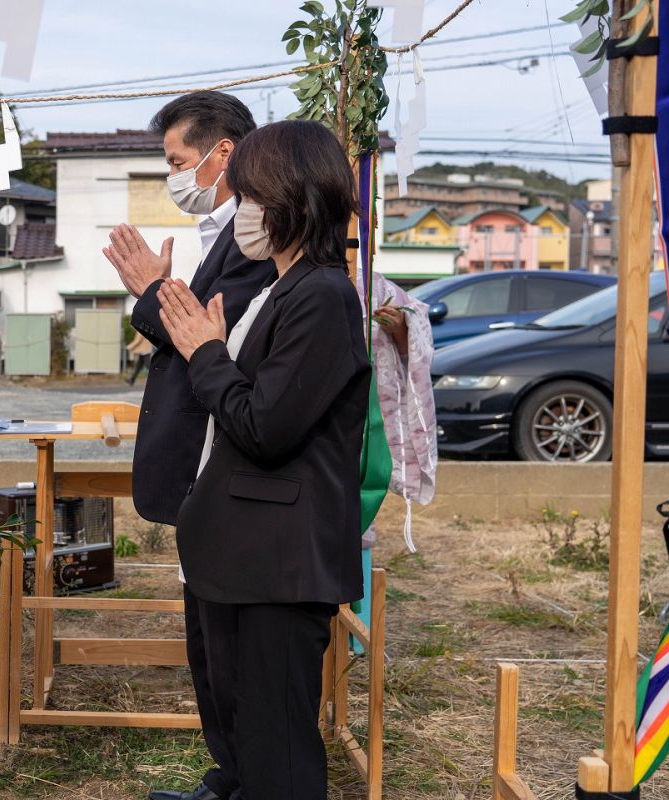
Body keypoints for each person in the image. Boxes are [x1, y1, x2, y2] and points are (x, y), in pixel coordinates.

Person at [156, 119, 370, 800]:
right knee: (243, 717)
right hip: (244, 551)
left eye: (249, 198)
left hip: (280, 562)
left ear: (288, 201)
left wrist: (205, 353)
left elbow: (265, 426)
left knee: (278, 744)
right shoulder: (283, 290)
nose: (241, 214)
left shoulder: (323, 297)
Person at [102, 91, 274, 800]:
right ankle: (226, 777)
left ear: (222, 153)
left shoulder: (258, 237)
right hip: (208, 471)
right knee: (207, 642)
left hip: (234, 471)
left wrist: (151, 293)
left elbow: (214, 343)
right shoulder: (222, 233)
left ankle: (242, 779)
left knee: (229, 651)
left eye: (178, 162)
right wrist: (158, 298)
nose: (174, 177)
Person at [354, 272, 437, 642]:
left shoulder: (376, 287)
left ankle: (357, 634)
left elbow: (416, 341)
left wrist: (401, 328)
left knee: (359, 517)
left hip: (361, 419)